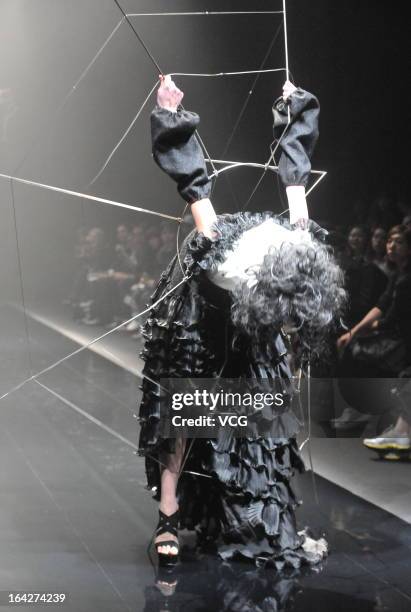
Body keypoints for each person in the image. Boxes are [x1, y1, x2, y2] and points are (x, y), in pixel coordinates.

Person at [138, 75, 345, 568]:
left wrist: (293, 112)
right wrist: (171, 116)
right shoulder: (224, 259)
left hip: (254, 318)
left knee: (260, 407)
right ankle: (168, 514)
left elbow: (295, 175)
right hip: (201, 314)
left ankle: (253, 510)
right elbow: (194, 186)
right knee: (189, 406)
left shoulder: (298, 244)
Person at [337, 225, 411, 455]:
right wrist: (355, 331)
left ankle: (395, 428)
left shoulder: (406, 279)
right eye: (390, 240)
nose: (391, 245)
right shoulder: (399, 274)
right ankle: (395, 428)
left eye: (398, 241)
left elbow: (391, 319)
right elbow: (382, 304)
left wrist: (361, 332)